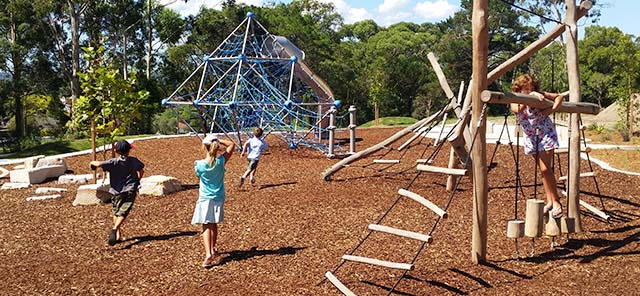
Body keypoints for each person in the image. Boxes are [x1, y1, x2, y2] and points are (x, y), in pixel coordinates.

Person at [510, 74, 565, 219]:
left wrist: (550, 110)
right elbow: (517, 109)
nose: (529, 91)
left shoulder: (538, 95)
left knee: (546, 169)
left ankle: (556, 202)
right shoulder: (513, 100)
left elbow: (559, 97)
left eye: (531, 88)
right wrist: (531, 97)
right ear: (519, 89)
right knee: (543, 171)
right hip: (531, 137)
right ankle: (550, 201)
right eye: (526, 89)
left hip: (545, 133)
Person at [90, 139, 145, 246]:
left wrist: (92, 163)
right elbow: (141, 170)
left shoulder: (113, 162)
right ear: (129, 151)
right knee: (123, 211)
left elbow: (98, 164)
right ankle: (115, 229)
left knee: (116, 212)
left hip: (116, 192)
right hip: (130, 190)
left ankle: (118, 235)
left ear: (117, 151)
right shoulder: (134, 161)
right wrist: (138, 180)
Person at [191, 134, 235, 268]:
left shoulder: (199, 165)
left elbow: (198, 179)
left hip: (205, 197)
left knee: (206, 224)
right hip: (218, 197)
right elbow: (232, 145)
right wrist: (218, 140)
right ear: (216, 147)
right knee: (213, 223)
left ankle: (208, 253)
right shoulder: (221, 162)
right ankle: (213, 247)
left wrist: (212, 141)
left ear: (204, 147)